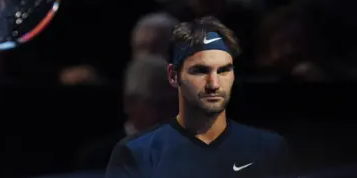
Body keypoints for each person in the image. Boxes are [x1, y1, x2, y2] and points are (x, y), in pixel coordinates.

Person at [105, 16, 295, 178]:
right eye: (200, 70)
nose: (213, 84)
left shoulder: (269, 150)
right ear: (174, 76)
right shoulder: (135, 153)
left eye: (223, 70)